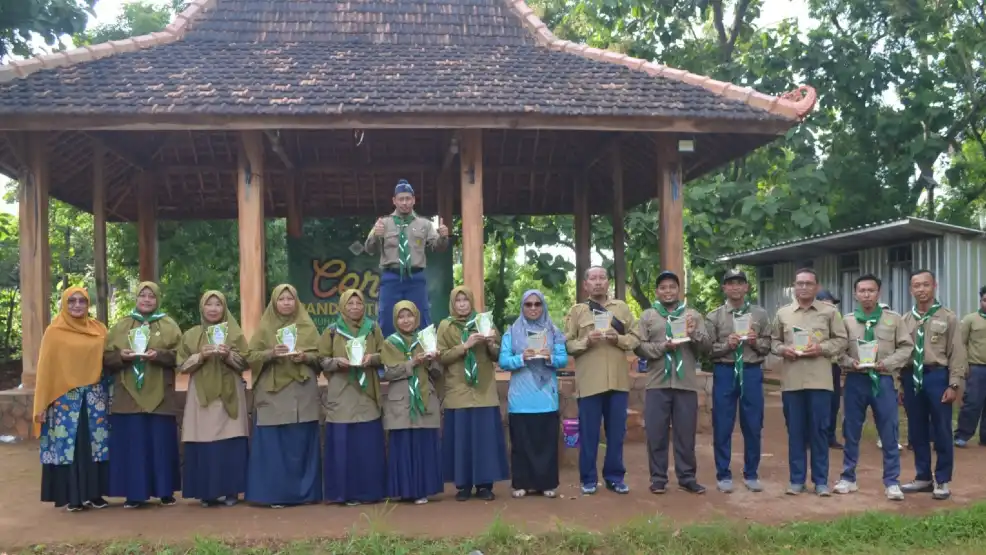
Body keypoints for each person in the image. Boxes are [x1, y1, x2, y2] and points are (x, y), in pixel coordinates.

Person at [833, 274, 913, 501]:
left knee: (889, 431)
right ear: (855, 294)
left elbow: (906, 348)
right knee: (851, 430)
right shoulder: (846, 321)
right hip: (855, 380)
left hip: (883, 380)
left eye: (871, 290)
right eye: (862, 290)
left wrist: (887, 363)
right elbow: (838, 349)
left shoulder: (893, 320)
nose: (866, 294)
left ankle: (892, 482)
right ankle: (848, 478)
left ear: (879, 293)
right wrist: (850, 362)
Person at [104, 282, 183, 509]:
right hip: (128, 394)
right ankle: (134, 494)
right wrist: (122, 356)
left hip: (160, 393)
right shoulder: (121, 326)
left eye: (151, 296)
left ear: (158, 299)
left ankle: (165, 491)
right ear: (136, 298)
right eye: (143, 295)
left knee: (160, 443)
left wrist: (159, 355)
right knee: (133, 444)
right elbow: (105, 358)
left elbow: (180, 355)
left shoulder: (169, 325)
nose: (147, 300)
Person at [771, 268, 848, 496]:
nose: (803, 287)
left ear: (817, 287)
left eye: (808, 283)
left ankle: (821, 481)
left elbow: (842, 340)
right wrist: (784, 350)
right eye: (799, 283)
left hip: (820, 382)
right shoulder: (783, 313)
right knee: (795, 432)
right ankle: (797, 480)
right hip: (792, 382)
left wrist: (821, 348)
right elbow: (773, 341)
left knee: (820, 431)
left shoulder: (830, 312)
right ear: (794, 287)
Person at [245, 284, 323, 508]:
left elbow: (321, 357)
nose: (287, 303)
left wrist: (305, 357)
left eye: (290, 299)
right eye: (282, 299)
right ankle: (275, 495)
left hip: (302, 392)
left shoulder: (307, 326)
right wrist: (271, 353)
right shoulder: (265, 328)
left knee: (301, 443)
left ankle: (305, 494)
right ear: (274, 302)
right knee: (274, 446)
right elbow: (249, 357)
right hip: (273, 395)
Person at [634, 270, 711, 495]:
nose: (668, 291)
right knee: (656, 433)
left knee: (685, 434)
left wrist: (693, 333)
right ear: (657, 292)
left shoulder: (692, 315)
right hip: (657, 383)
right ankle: (658, 478)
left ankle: (687, 477)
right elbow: (639, 347)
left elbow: (706, 347)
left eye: (672, 287)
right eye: (663, 287)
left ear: (679, 290)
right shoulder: (648, 316)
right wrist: (663, 347)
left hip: (685, 383)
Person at [34, 287, 110, 512]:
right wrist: (41, 403)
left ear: (88, 304)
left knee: (95, 446)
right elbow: (45, 369)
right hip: (65, 400)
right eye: (72, 301)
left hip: (95, 397)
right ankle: (73, 497)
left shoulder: (99, 329)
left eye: (82, 301)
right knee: (71, 447)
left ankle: (95, 494)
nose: (77, 305)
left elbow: (109, 360)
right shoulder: (54, 331)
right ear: (64, 304)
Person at [564, 266, 638, 495]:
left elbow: (636, 337)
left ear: (608, 282)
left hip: (618, 381)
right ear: (585, 284)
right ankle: (588, 479)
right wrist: (585, 342)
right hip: (590, 382)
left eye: (602, 278)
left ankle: (615, 477)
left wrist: (619, 339)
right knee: (589, 433)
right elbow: (566, 344)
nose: (598, 282)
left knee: (616, 433)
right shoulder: (577, 311)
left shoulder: (622, 308)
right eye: (593, 278)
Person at [176, 291, 250, 508]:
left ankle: (231, 491)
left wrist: (228, 355)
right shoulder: (191, 335)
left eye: (218, 304)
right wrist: (200, 356)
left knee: (231, 439)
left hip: (230, 394)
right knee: (204, 441)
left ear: (224, 308)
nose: (214, 309)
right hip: (202, 396)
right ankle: (207, 492)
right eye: (209, 304)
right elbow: (181, 365)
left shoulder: (234, 333)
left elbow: (246, 362)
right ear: (202, 308)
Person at [900, 270, 967, 500]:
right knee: (916, 428)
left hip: (937, 376)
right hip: (911, 376)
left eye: (925, 285)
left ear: (934, 286)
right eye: (916, 285)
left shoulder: (948, 317)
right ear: (911, 289)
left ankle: (942, 479)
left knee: (942, 428)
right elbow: (902, 354)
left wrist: (954, 384)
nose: (921, 290)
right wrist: (900, 385)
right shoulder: (905, 320)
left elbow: (957, 353)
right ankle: (923, 477)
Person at [438, 285, 509, 501]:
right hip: (458, 389)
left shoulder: (483, 321)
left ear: (471, 302)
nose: (462, 305)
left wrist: (491, 344)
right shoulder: (446, 325)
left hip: (483, 388)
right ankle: (463, 486)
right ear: (453, 303)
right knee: (461, 439)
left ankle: (485, 485)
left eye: (465, 300)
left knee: (484, 439)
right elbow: (441, 357)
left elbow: (498, 355)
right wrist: (465, 346)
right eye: (458, 301)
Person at [318, 289, 387, 506]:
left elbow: (386, 354)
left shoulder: (373, 328)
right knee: (343, 445)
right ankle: (342, 493)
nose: (355, 307)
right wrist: (337, 362)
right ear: (342, 306)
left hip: (367, 393)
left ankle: (369, 493)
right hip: (342, 391)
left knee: (367, 445)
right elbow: (321, 359)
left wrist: (372, 358)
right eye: (350, 303)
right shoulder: (332, 330)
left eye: (359, 303)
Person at [704, 269, 771, 493]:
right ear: (724, 288)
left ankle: (751, 473)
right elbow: (707, 350)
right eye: (730, 283)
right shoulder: (714, 316)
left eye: (739, 283)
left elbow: (768, 346)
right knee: (722, 424)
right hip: (725, 371)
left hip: (751, 371)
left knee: (753, 424)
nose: (735, 287)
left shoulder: (759, 314)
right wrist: (727, 345)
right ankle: (723, 474)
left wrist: (754, 342)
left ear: (746, 287)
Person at [498, 290, 569, 499]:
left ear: (543, 306)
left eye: (537, 304)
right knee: (521, 444)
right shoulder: (512, 332)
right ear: (522, 307)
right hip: (521, 397)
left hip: (546, 396)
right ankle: (522, 483)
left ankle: (546, 484)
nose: (533, 308)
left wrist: (550, 357)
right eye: (528, 304)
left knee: (546, 443)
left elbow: (563, 359)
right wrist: (521, 357)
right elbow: (503, 361)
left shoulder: (553, 331)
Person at [365, 179, 449, 337]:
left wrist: (443, 237)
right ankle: (386, 351)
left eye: (408, 199)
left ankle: (426, 351)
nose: (404, 203)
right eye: (401, 199)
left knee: (423, 318)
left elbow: (438, 247)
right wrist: (376, 235)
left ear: (414, 200)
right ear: (394, 201)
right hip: (391, 277)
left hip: (415, 278)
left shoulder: (425, 224)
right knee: (386, 319)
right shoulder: (383, 223)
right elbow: (369, 249)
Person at [380, 301, 444, 504]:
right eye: (401, 317)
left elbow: (438, 373)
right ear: (395, 320)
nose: (406, 320)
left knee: (423, 444)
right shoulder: (390, 343)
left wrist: (433, 359)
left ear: (416, 318)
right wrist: (412, 363)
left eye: (409, 316)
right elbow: (389, 373)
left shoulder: (425, 339)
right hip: (401, 402)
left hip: (424, 398)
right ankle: (404, 490)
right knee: (403, 446)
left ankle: (423, 490)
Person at [954, 285, 986, 447]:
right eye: (985, 300)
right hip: (977, 367)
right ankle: (962, 436)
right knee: (973, 403)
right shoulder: (970, 319)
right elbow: (961, 343)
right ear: (981, 301)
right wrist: (964, 365)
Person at [816, 289, 845, 450]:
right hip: (816, 366)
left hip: (833, 367)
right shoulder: (813, 321)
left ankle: (830, 436)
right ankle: (811, 437)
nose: (831, 306)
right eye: (827, 303)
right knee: (816, 404)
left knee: (834, 403)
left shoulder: (838, 319)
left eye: (832, 303)